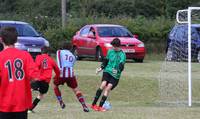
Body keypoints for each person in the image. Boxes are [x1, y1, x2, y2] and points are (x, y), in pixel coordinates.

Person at [0, 26, 38, 119]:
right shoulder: (25, 55)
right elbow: (35, 77)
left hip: (3, 103)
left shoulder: (0, 57)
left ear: (1, 39)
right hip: (21, 102)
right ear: (16, 40)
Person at [91, 38, 126, 112]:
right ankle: (93, 104)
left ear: (118, 46)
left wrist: (118, 69)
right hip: (107, 70)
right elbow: (105, 61)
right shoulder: (110, 51)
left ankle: (100, 107)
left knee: (108, 88)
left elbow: (121, 65)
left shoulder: (122, 54)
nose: (113, 47)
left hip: (115, 75)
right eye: (112, 46)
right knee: (103, 85)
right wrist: (100, 68)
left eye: (114, 46)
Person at [53, 41, 89, 112]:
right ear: (70, 48)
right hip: (71, 74)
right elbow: (72, 65)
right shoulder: (72, 56)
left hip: (61, 73)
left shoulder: (59, 52)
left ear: (62, 47)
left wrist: (59, 71)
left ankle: (61, 102)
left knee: (55, 85)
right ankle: (84, 106)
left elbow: (59, 61)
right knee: (76, 89)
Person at [28, 47, 60, 112]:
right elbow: (57, 70)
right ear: (48, 53)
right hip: (46, 82)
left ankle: (22, 105)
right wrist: (56, 76)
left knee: (28, 90)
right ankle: (30, 108)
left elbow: (36, 66)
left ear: (41, 52)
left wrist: (33, 76)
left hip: (38, 80)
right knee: (41, 95)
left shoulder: (38, 57)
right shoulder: (51, 60)